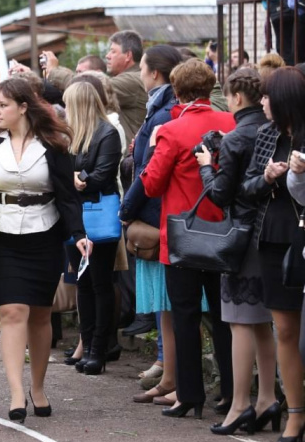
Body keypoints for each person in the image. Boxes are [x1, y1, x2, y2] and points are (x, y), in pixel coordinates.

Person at [0, 78, 89, 422]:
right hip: (2, 238)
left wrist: (78, 233)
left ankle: (38, 387)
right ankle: (16, 393)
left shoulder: (54, 146)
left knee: (40, 314)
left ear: (23, 107)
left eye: (2, 105)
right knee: (10, 312)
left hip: (45, 235)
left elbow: (68, 196)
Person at [140, 59, 235, 419]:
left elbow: (151, 184)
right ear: (210, 88)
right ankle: (231, 393)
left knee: (185, 316)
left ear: (176, 91)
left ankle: (190, 394)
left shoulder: (170, 129)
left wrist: (150, 148)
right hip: (224, 232)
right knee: (227, 318)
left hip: (183, 234)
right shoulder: (231, 123)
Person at [193, 68, 278, 436]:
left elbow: (219, 195)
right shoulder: (271, 130)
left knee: (240, 322)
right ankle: (268, 398)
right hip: (269, 235)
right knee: (263, 322)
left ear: (236, 98)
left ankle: (241, 403)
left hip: (240, 239)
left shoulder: (235, 138)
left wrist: (205, 167)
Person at [242, 67, 305, 442]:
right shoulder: (265, 135)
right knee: (284, 330)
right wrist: (266, 177)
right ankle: (295, 412)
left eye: (266, 97)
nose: (261, 102)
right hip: (273, 237)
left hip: (301, 235)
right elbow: (246, 188)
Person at [120, 44, 183, 404]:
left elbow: (149, 173)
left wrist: (127, 210)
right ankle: (168, 371)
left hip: (160, 215)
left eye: (142, 68)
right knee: (167, 304)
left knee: (170, 304)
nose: (140, 75)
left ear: (154, 73)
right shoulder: (157, 109)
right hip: (164, 214)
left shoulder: (162, 115)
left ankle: (174, 378)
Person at [63, 81, 122, 375]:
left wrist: (78, 176)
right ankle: (87, 344)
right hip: (75, 215)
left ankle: (100, 347)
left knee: (100, 282)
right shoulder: (71, 134)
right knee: (83, 283)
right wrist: (74, 176)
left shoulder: (106, 133)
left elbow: (102, 173)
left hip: (98, 213)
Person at [104, 30, 148, 144]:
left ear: (128, 55)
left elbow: (89, 88)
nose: (107, 56)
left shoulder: (131, 80)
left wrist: (54, 73)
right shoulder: (133, 77)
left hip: (131, 156)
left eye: (113, 51)